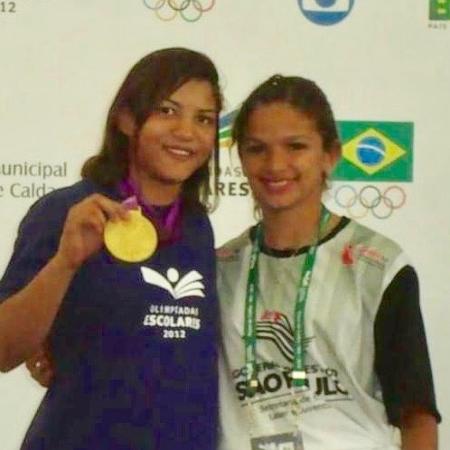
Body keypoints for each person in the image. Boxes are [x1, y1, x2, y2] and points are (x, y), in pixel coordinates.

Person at [0, 47, 222, 450]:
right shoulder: (66, 211)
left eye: (203, 119)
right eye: (167, 111)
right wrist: (65, 263)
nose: (187, 132)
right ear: (125, 119)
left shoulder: (197, 227)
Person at [217, 75, 440, 450]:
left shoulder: (379, 266)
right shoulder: (221, 268)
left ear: (330, 155)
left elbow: (417, 419)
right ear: (240, 158)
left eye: (296, 146)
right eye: (257, 148)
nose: (276, 164)